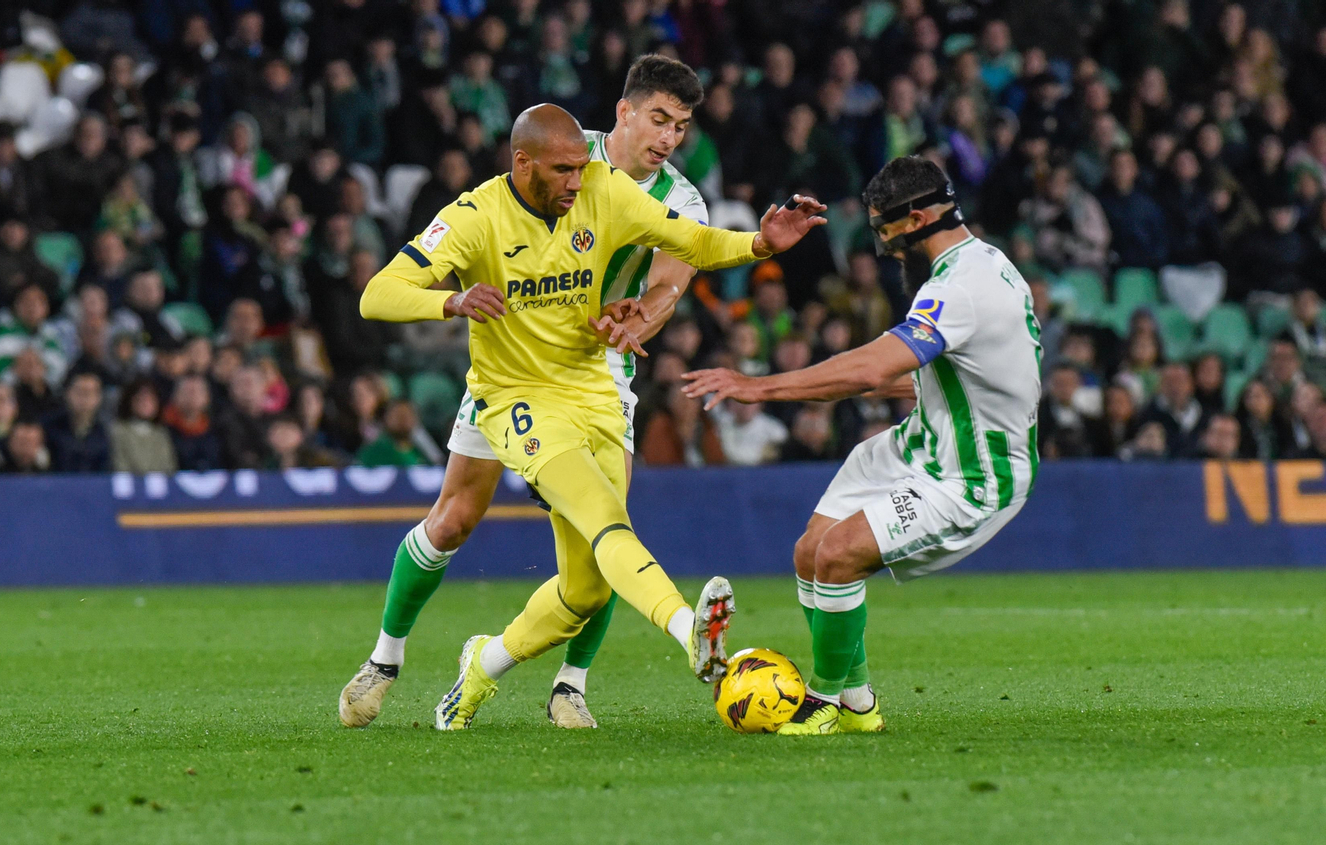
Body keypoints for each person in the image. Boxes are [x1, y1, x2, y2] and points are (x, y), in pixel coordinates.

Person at [357, 99, 825, 732]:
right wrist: (451, 301)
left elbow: (691, 242)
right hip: (517, 398)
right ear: (523, 164)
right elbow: (377, 294)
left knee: (586, 589)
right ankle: (689, 631)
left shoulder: (603, 188)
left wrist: (760, 244)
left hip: (593, 387)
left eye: (582, 167)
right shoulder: (474, 216)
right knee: (601, 517)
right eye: (563, 171)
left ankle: (482, 668)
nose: (577, 182)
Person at [339, 56, 713, 730]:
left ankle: (571, 684)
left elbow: (667, 284)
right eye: (659, 119)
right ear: (624, 112)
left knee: (606, 528)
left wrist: (639, 319)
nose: (668, 137)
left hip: (600, 369)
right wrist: (453, 295)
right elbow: (498, 217)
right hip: (512, 364)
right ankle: (384, 658)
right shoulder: (564, 151)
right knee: (454, 518)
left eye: (681, 127)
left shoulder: (681, 201)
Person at [684, 156, 1041, 736]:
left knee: (839, 555)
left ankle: (822, 702)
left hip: (974, 472)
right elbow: (936, 376)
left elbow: (875, 369)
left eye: (885, 230)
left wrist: (760, 387)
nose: (883, 249)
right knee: (811, 552)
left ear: (917, 219)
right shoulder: (979, 265)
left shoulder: (960, 288)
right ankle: (856, 702)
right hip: (922, 440)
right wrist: (824, 387)